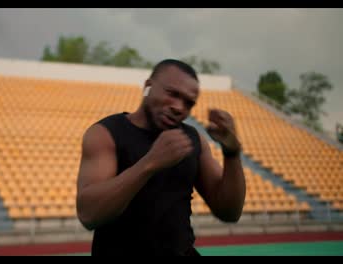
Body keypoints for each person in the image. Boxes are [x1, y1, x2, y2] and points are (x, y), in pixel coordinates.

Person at [76, 59, 246, 256]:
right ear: (148, 87)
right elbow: (88, 214)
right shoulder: (106, 133)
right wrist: (150, 163)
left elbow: (229, 212)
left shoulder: (192, 139)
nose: (179, 107)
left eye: (188, 103)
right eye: (172, 94)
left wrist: (232, 153)